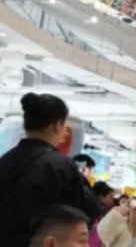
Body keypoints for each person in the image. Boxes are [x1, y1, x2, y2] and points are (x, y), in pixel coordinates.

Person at [0, 93, 100, 247]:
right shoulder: (61, 166)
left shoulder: (5, 161)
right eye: (65, 125)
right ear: (57, 125)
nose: (65, 131)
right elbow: (87, 211)